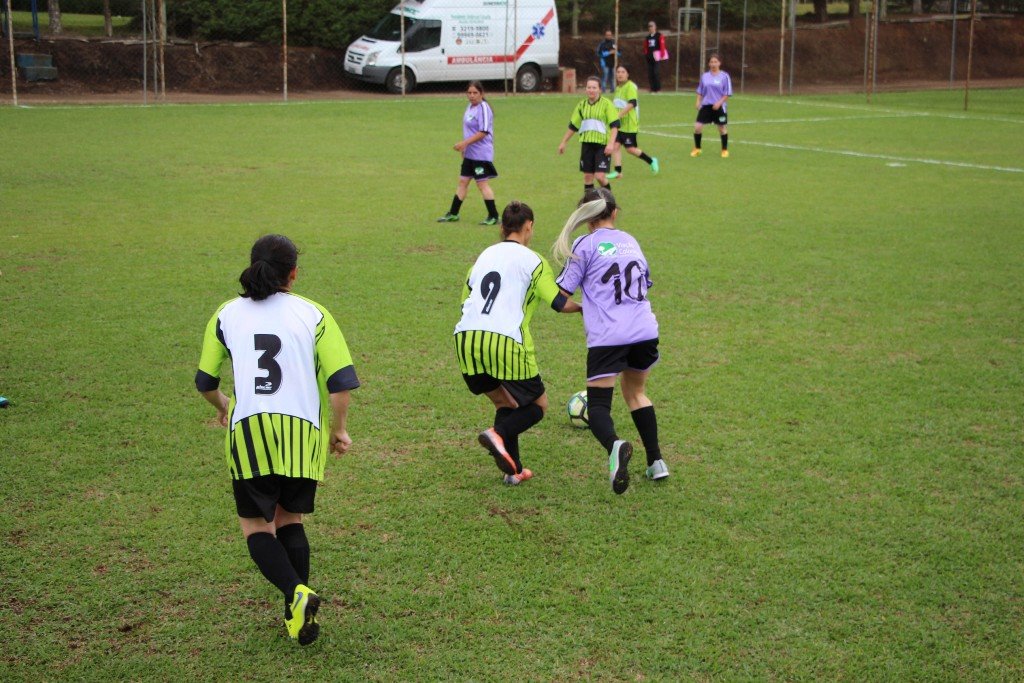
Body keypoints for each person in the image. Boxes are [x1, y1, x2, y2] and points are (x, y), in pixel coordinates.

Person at [195, 234, 360, 646]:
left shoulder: (227, 313)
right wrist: (338, 429)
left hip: (249, 430)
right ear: (293, 274)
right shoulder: (314, 313)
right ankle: (297, 610)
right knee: (290, 520)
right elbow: (341, 383)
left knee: (256, 528)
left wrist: (223, 405)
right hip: (303, 432)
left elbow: (204, 381)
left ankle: (295, 594)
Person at [453, 201, 582, 485]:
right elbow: (559, 303)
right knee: (538, 406)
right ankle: (496, 434)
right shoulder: (534, 260)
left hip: (466, 339)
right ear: (529, 227)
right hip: (506, 342)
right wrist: (586, 308)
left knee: (505, 402)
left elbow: (466, 301)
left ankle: (514, 472)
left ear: (501, 228)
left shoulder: (483, 256)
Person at [552, 188, 668, 495]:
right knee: (637, 393)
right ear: (614, 213)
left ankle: (615, 446)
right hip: (644, 330)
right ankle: (656, 461)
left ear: (587, 218)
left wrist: (581, 308)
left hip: (608, 337)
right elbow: (645, 284)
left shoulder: (584, 244)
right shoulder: (631, 241)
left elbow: (558, 300)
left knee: (600, 406)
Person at [438, 81, 500, 225]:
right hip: (470, 153)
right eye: (469, 93)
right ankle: (453, 213)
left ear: (481, 94)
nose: (472, 96)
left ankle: (494, 216)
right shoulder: (469, 107)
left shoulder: (483, 108)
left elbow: (483, 132)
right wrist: (465, 148)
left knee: (482, 184)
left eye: (475, 93)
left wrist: (464, 143)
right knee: (463, 182)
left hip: (481, 154)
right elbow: (469, 130)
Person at [558, 76, 620, 193]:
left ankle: (610, 201)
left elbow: (615, 126)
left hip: (602, 146)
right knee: (587, 177)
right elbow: (573, 126)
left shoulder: (607, 105)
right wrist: (563, 142)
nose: (591, 90)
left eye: (594, 87)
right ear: (586, 89)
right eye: (589, 87)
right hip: (587, 145)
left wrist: (611, 144)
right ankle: (589, 204)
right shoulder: (581, 106)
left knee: (600, 176)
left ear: (600, 90)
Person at [607, 64, 659, 180]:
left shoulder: (630, 87)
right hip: (619, 125)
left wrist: (618, 115)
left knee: (630, 149)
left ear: (627, 74)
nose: (620, 74)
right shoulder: (618, 88)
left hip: (629, 125)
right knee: (615, 146)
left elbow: (632, 103)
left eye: (623, 72)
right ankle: (618, 171)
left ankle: (651, 161)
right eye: (618, 72)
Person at [691, 53, 732, 158]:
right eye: (711, 62)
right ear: (709, 64)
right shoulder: (705, 76)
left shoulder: (724, 76)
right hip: (706, 106)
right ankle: (697, 149)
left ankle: (724, 150)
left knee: (722, 128)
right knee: (698, 127)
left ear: (719, 63)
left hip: (719, 106)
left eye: (715, 62)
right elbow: (700, 91)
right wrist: (698, 101)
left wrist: (719, 103)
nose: (713, 64)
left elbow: (727, 93)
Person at [642, 21, 667, 93]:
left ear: (655, 27)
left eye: (652, 26)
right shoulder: (648, 37)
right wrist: (646, 54)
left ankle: (658, 88)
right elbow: (645, 47)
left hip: (657, 57)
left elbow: (662, 46)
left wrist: (662, 54)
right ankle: (652, 88)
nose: (650, 28)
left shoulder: (659, 36)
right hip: (649, 57)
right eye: (649, 26)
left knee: (656, 72)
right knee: (650, 73)